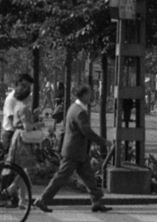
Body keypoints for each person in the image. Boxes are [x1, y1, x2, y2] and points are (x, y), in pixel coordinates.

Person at [34, 83, 109, 214]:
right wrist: (102, 142)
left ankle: (96, 202)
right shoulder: (80, 112)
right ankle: (43, 200)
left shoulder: (73, 107)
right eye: (89, 94)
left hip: (78, 151)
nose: (91, 96)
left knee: (89, 176)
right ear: (84, 95)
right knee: (61, 177)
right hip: (74, 152)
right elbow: (86, 131)